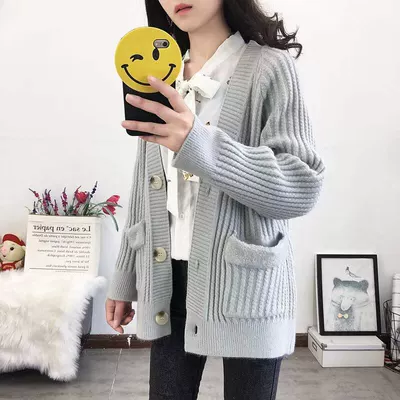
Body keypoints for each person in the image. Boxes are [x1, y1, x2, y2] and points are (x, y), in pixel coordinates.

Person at [106, 0, 325, 399]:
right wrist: (125, 276)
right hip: (168, 281)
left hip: (249, 287)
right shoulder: (159, 73)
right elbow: (144, 186)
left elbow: (301, 185)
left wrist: (199, 144)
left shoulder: (269, 69)